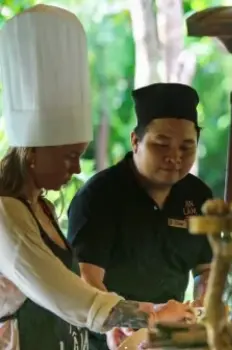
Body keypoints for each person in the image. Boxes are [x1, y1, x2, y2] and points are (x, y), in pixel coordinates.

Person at [0, 5, 195, 350]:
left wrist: (120, 319)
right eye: (68, 156)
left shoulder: (38, 206)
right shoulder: (4, 212)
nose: (76, 168)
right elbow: (61, 291)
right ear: (33, 152)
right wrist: (147, 314)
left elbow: (73, 288)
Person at [66, 82, 213, 350]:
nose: (174, 157)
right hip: (106, 338)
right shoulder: (99, 197)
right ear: (136, 141)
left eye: (186, 147)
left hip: (169, 340)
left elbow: (206, 269)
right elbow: (87, 280)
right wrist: (119, 320)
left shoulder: (198, 196)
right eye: (162, 144)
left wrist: (203, 303)